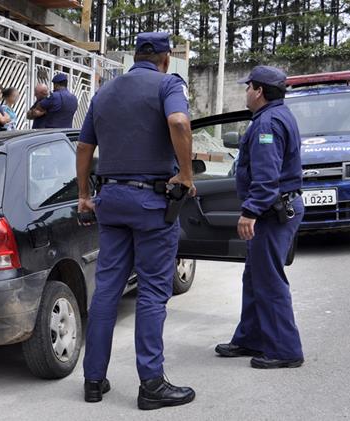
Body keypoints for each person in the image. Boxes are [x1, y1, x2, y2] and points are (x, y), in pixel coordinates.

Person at [76, 32, 196, 411]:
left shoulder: (105, 93)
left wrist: (83, 194)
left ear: (134, 56)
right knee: (152, 293)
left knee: (107, 290)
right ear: (165, 58)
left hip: (109, 200)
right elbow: (179, 122)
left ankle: (93, 380)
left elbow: (83, 147)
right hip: (151, 203)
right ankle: (152, 384)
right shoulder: (168, 84)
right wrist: (188, 176)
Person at [214, 65, 305, 369]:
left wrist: (250, 212)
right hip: (275, 209)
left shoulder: (267, 123)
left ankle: (285, 350)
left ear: (259, 91)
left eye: (247, 86)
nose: (245, 92)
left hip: (271, 212)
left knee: (268, 280)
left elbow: (267, 177)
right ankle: (251, 337)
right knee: (254, 277)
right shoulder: (275, 116)